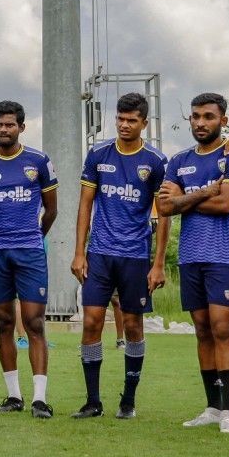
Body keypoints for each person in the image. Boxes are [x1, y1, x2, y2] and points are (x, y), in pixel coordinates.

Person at [69, 93, 168, 420]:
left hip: (135, 258)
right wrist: (78, 252)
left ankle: (129, 398)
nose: (124, 126)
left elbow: (164, 213)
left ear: (144, 122)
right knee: (92, 322)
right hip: (99, 255)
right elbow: (85, 204)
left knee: (133, 325)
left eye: (131, 121)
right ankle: (93, 400)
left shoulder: (155, 161)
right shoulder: (98, 153)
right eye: (120, 120)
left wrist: (158, 263)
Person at [158, 93, 229, 433]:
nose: (200, 122)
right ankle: (212, 407)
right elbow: (165, 208)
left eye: (208, 116)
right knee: (201, 330)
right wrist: (202, 193)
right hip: (190, 256)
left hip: (224, 254)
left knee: (222, 328)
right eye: (196, 116)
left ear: (223, 120)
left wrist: (185, 199)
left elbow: (226, 203)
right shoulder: (179, 160)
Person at [0, 100, 58, 418]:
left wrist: (35, 237)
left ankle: (39, 399)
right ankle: (13, 396)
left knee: (34, 323)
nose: (3, 129)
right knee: (4, 322)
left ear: (22, 127)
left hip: (30, 252)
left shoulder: (38, 161)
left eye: (9, 124)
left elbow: (51, 209)